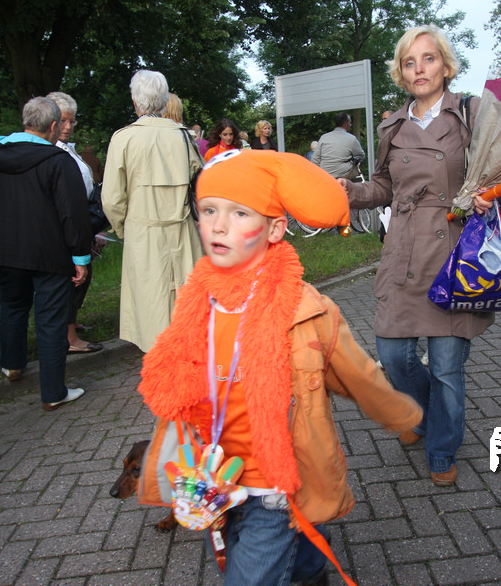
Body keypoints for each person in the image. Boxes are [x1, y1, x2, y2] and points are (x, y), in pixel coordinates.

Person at [138, 149, 422, 586]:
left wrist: (400, 412)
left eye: (238, 213)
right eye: (209, 210)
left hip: (274, 485)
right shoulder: (195, 304)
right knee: (289, 556)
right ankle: (310, 566)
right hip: (215, 476)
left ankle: (302, 551)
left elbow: (358, 374)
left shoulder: (307, 311)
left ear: (274, 228)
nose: (218, 225)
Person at [340, 24, 501, 487]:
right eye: (409, 62)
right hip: (405, 249)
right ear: (401, 72)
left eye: (428, 59)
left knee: (447, 367)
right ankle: (427, 416)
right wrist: (348, 191)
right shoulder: (392, 126)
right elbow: (383, 186)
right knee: (393, 356)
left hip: (454, 252)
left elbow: (497, 170)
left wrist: (489, 193)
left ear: (445, 66)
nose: (419, 69)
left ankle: (442, 446)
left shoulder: (470, 114)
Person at [0, 97, 92, 411]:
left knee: (12, 304)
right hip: (47, 252)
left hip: (3, 249)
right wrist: (80, 257)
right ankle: (53, 392)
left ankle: (12, 365)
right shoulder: (58, 160)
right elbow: (73, 213)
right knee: (50, 319)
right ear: (53, 126)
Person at [102, 70, 204, 351]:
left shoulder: (123, 138)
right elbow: (202, 184)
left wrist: (123, 228)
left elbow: (111, 199)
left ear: (136, 101)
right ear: (163, 100)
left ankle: (160, 367)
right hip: (183, 231)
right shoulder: (184, 137)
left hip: (143, 233)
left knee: (151, 310)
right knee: (186, 309)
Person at [47, 91, 103, 355]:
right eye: (63, 121)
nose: (68, 127)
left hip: (80, 222)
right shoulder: (50, 151)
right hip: (64, 228)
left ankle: (71, 323)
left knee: (82, 276)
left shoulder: (68, 149)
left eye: (72, 121)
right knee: (73, 278)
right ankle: (68, 337)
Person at [313, 112, 366, 180]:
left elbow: (315, 159)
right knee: (356, 173)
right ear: (346, 123)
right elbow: (361, 156)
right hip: (343, 175)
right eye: (350, 122)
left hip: (325, 175)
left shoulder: (324, 137)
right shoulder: (352, 139)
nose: (350, 125)